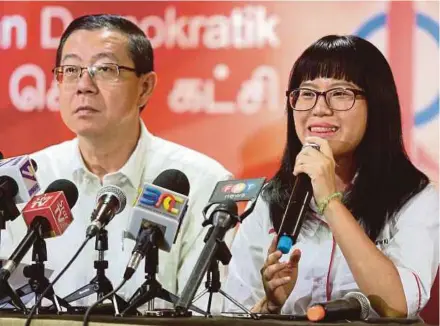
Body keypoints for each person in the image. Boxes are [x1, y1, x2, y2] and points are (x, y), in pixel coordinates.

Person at [0, 14, 232, 311]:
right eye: (70, 70)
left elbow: (206, 308)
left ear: (145, 87)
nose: (83, 85)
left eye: (105, 69)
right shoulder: (29, 179)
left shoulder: (201, 182)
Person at [224, 35, 439, 318]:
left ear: (376, 105)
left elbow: (396, 305)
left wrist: (330, 200)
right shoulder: (268, 201)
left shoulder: (415, 198)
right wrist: (271, 306)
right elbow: (231, 314)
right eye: (308, 93)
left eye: (340, 93)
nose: (319, 108)